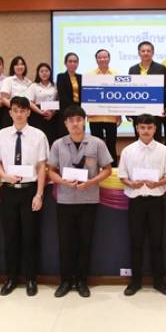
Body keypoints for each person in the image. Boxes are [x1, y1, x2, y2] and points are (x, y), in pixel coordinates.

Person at [47, 105, 113, 298]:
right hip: (65, 200)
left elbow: (107, 169)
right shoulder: (58, 144)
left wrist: (91, 182)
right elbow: (51, 170)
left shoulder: (97, 143)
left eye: (78, 120)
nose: (75, 124)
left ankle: (82, 281)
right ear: (65, 123)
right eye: (71, 120)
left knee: (85, 242)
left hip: (88, 199)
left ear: (84, 121)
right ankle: (66, 281)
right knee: (65, 243)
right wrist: (62, 181)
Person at [0, 96, 49, 297]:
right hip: (8, 189)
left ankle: (31, 278)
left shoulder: (38, 135)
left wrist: (39, 194)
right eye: (15, 110)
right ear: (10, 112)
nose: (18, 114)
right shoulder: (1, 135)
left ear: (28, 112)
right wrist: (4, 175)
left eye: (22, 110)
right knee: (10, 236)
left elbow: (42, 167)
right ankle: (11, 278)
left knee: (30, 236)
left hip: (29, 190)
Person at [118, 114, 166, 297]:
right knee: (136, 243)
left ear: (155, 129)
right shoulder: (128, 151)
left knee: (157, 243)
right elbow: (122, 176)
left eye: (149, 127)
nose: (146, 131)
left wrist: (158, 183)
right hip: (136, 201)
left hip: (156, 201)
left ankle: (159, 282)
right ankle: (135, 282)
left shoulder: (164, 150)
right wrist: (130, 183)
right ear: (137, 128)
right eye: (142, 127)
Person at [127, 41, 166, 141]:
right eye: (143, 51)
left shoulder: (160, 68)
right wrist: (128, 110)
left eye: (148, 51)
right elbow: (129, 91)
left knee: (156, 139)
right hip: (137, 112)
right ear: (139, 53)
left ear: (152, 53)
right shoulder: (133, 69)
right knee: (139, 140)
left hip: (155, 111)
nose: (146, 53)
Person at [88, 49, 120, 165]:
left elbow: (119, 96)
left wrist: (119, 114)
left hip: (111, 117)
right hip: (94, 117)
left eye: (105, 57)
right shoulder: (89, 76)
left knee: (111, 144)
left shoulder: (116, 75)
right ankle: (98, 169)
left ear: (109, 59)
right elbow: (87, 96)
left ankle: (114, 169)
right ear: (96, 59)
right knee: (97, 146)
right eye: (100, 57)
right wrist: (87, 110)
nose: (102, 59)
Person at [26, 62, 58, 145]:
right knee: (37, 141)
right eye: (42, 71)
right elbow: (29, 102)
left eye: (46, 71)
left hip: (52, 116)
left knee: (51, 140)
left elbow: (58, 101)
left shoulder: (55, 85)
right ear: (38, 73)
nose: (44, 73)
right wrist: (41, 112)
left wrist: (52, 113)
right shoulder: (34, 86)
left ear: (50, 72)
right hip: (37, 115)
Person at [56, 52, 82, 140]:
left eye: (75, 61)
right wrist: (73, 110)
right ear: (65, 63)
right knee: (65, 137)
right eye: (70, 61)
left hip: (79, 112)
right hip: (66, 112)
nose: (73, 64)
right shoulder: (61, 77)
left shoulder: (81, 77)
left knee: (78, 137)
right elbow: (62, 95)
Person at [1, 56, 32, 126]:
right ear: (13, 67)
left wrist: (23, 110)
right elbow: (4, 98)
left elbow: (30, 100)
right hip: (11, 114)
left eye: (22, 64)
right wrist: (15, 109)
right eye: (17, 65)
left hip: (25, 114)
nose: (19, 67)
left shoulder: (29, 82)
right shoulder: (8, 80)